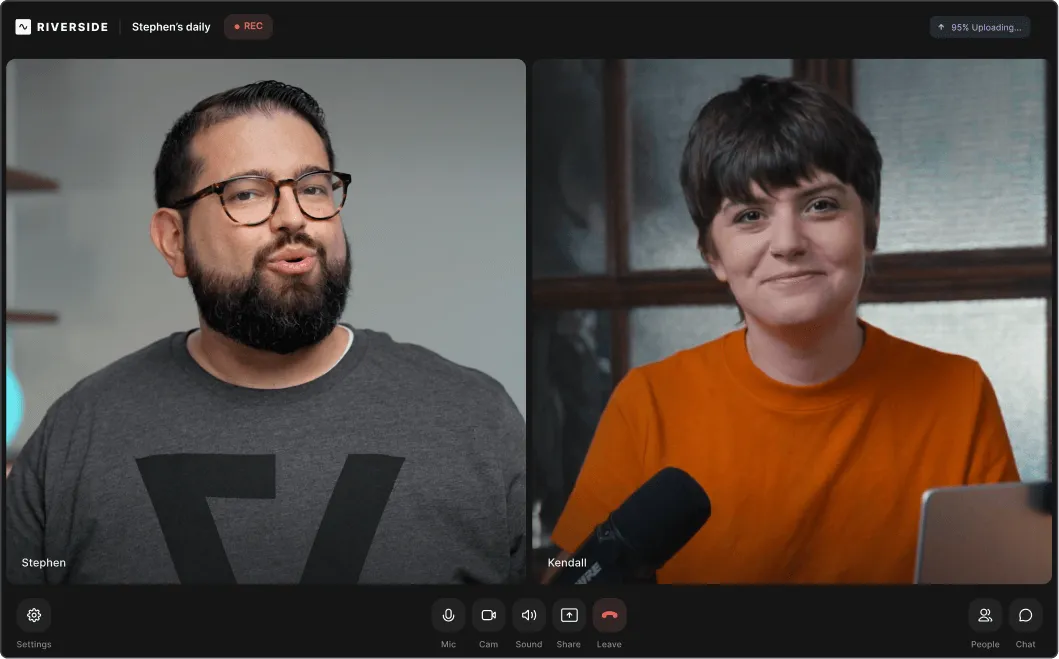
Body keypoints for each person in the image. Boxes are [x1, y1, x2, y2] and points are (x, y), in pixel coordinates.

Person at [5, 80, 525, 585]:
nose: (293, 218)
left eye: (314, 188)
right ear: (173, 240)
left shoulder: (476, 418)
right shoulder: (80, 432)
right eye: (248, 193)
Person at [548, 75, 1020, 584]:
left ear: (871, 228)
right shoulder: (647, 403)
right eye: (750, 215)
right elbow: (567, 580)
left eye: (821, 205)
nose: (788, 242)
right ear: (714, 256)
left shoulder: (960, 391)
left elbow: (1004, 603)